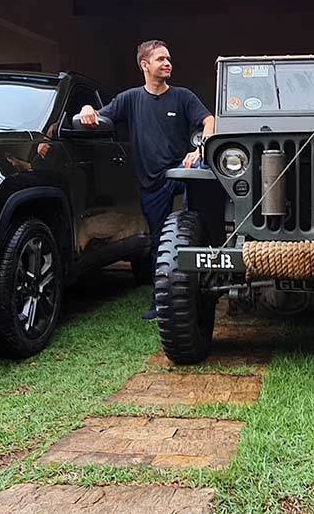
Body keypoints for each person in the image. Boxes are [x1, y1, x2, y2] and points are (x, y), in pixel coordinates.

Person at [79, 40, 215, 321]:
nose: (168, 64)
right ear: (145, 65)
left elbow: (209, 120)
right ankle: (160, 302)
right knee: (159, 241)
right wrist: (86, 110)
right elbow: (98, 117)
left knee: (193, 227)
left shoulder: (183, 96)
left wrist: (199, 148)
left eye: (169, 59)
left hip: (182, 170)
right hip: (151, 183)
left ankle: (200, 286)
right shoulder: (130, 99)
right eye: (161, 59)